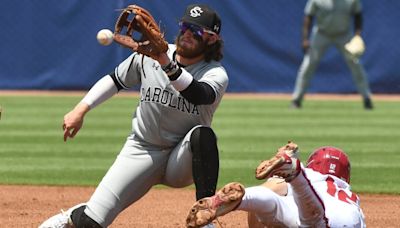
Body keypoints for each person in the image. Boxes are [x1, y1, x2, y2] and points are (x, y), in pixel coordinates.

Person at [39, 3, 228, 228]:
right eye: (185, 26)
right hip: (142, 149)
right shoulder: (153, 54)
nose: (187, 33)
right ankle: (74, 215)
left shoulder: (215, 73)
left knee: (203, 135)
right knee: (91, 223)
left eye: (196, 31)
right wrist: (81, 109)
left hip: (182, 156)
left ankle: (205, 218)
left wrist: (165, 62)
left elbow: (198, 94)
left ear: (211, 39)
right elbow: (115, 80)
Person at [186, 141, 366, 227]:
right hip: (343, 221)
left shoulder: (313, 175)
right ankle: (295, 174)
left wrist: (243, 199)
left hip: (302, 210)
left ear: (313, 165)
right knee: (313, 218)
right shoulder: (349, 195)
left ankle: (245, 199)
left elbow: (271, 188)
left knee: (273, 204)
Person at [291, 0, 373, 110]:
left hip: (343, 35)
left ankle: (367, 99)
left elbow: (358, 15)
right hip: (321, 34)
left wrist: (357, 35)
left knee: (356, 64)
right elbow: (308, 17)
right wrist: (305, 39)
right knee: (307, 65)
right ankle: (297, 99)